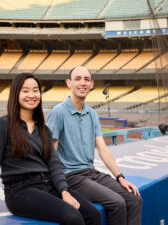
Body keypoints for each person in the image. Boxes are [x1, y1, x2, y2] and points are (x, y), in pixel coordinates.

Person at [0, 73, 101, 225]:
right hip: (20, 191)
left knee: (93, 214)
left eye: (35, 90)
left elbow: (54, 165)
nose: (31, 95)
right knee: (73, 217)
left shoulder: (44, 130)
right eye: (25, 90)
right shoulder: (3, 125)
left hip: (48, 185)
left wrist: (64, 192)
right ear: (16, 94)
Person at [47, 66, 143, 225]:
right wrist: (61, 188)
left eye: (86, 79)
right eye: (77, 79)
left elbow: (103, 149)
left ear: (91, 84)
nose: (82, 83)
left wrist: (120, 177)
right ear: (68, 83)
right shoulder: (58, 112)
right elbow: (51, 153)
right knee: (117, 203)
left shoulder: (92, 114)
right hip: (71, 176)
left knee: (134, 200)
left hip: (90, 172)